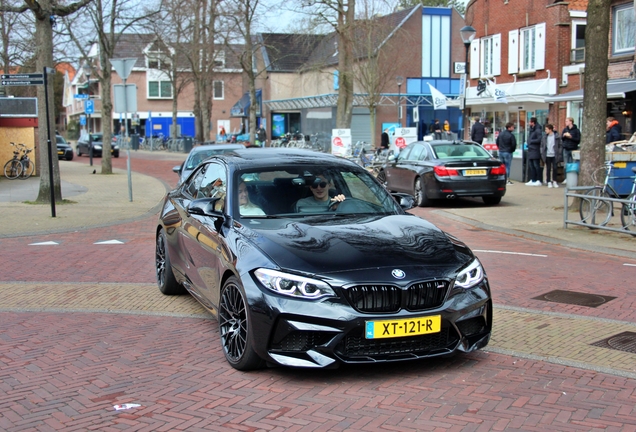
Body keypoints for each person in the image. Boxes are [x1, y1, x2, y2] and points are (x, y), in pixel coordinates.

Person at [540, 124, 563, 188]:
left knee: (555, 168)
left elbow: (560, 145)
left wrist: (559, 152)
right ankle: (548, 181)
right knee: (548, 168)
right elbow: (542, 145)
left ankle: (554, 181)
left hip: (554, 154)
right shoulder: (544, 137)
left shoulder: (556, 136)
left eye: (546, 129)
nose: (545, 130)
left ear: (550, 129)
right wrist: (542, 152)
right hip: (547, 154)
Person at [525, 117, 543, 186]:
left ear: (533, 122)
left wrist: (531, 141)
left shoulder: (538, 130)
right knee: (531, 166)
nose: (529, 123)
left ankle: (538, 180)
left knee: (536, 165)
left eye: (530, 122)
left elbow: (539, 139)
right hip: (531, 149)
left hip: (535, 150)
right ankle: (533, 179)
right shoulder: (532, 130)